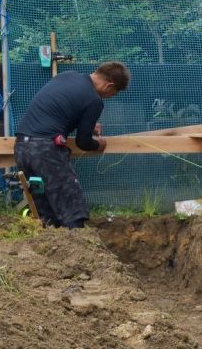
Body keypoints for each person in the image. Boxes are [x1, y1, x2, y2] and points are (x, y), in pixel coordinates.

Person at [14, 61, 130, 229]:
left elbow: (60, 108)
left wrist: (87, 123)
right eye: (113, 93)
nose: (109, 96)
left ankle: (54, 247)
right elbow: (83, 142)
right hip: (45, 151)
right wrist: (99, 145)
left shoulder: (66, 76)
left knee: (45, 209)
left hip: (22, 148)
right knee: (71, 206)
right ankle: (80, 246)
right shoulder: (94, 100)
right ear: (109, 86)